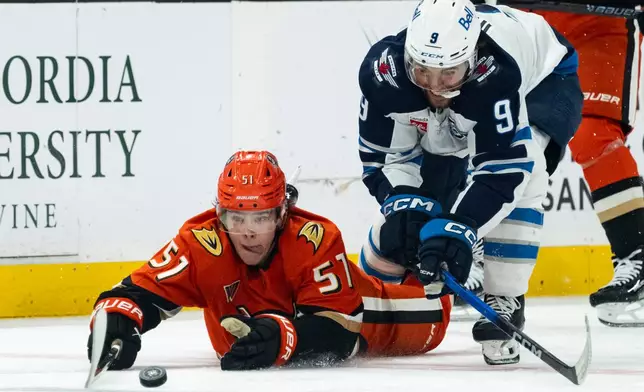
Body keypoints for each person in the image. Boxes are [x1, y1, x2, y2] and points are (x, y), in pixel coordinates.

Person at [356, 0, 583, 364]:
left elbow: (506, 169)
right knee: (416, 216)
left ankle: (505, 296)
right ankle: (370, 286)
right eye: (423, 71)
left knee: (531, 169)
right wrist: (404, 207)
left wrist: (460, 228)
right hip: (474, 93)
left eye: (448, 73)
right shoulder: (385, 73)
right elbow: (385, 159)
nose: (434, 87)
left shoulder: (496, 74)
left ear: (473, 57)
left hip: (546, 81)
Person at [86, 150, 452, 372]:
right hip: (323, 311)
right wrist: (115, 323)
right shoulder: (201, 243)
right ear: (219, 215)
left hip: (377, 312)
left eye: (260, 218)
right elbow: (134, 294)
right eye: (236, 218)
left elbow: (342, 335)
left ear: (281, 214)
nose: (247, 232)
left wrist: (284, 337)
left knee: (435, 311)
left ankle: (426, 245)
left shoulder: (314, 239)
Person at [486, 0, 644, 327]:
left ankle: (636, 254)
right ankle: (498, 278)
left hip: (602, 22)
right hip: (527, 23)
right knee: (510, 139)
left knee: (593, 132)